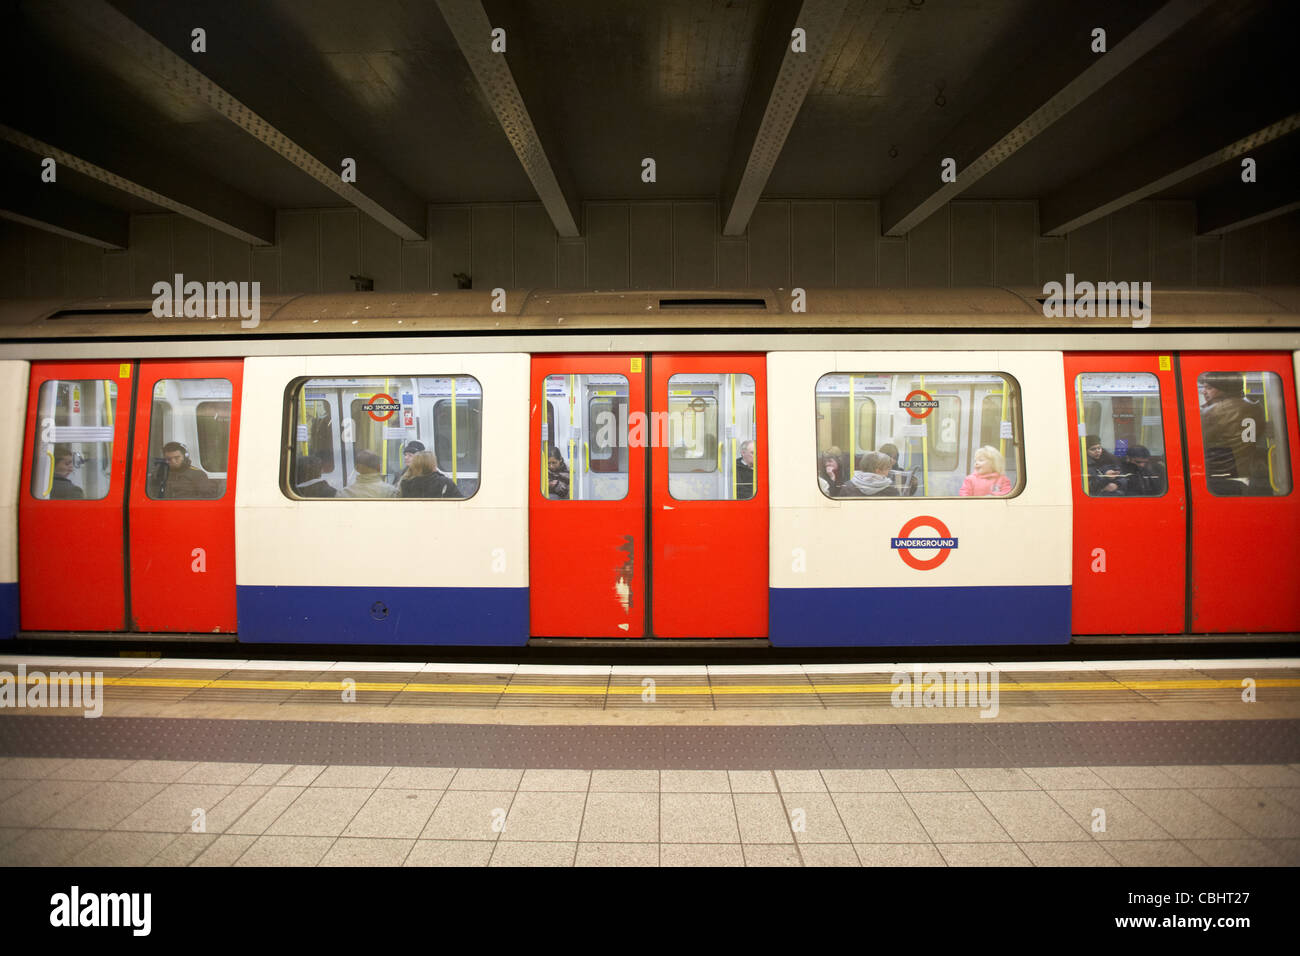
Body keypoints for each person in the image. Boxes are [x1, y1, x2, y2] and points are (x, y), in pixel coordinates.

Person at [1200, 373, 1265, 491]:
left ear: (1225, 389)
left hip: (1222, 476)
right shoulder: (1256, 407)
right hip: (1251, 472)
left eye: (1209, 388)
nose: (1203, 392)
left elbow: (1197, 445)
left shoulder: (1212, 412)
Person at [151, 441, 218, 499]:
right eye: (169, 459)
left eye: (177, 457)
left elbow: (208, 497)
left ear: (185, 457)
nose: (173, 461)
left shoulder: (197, 474)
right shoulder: (161, 474)